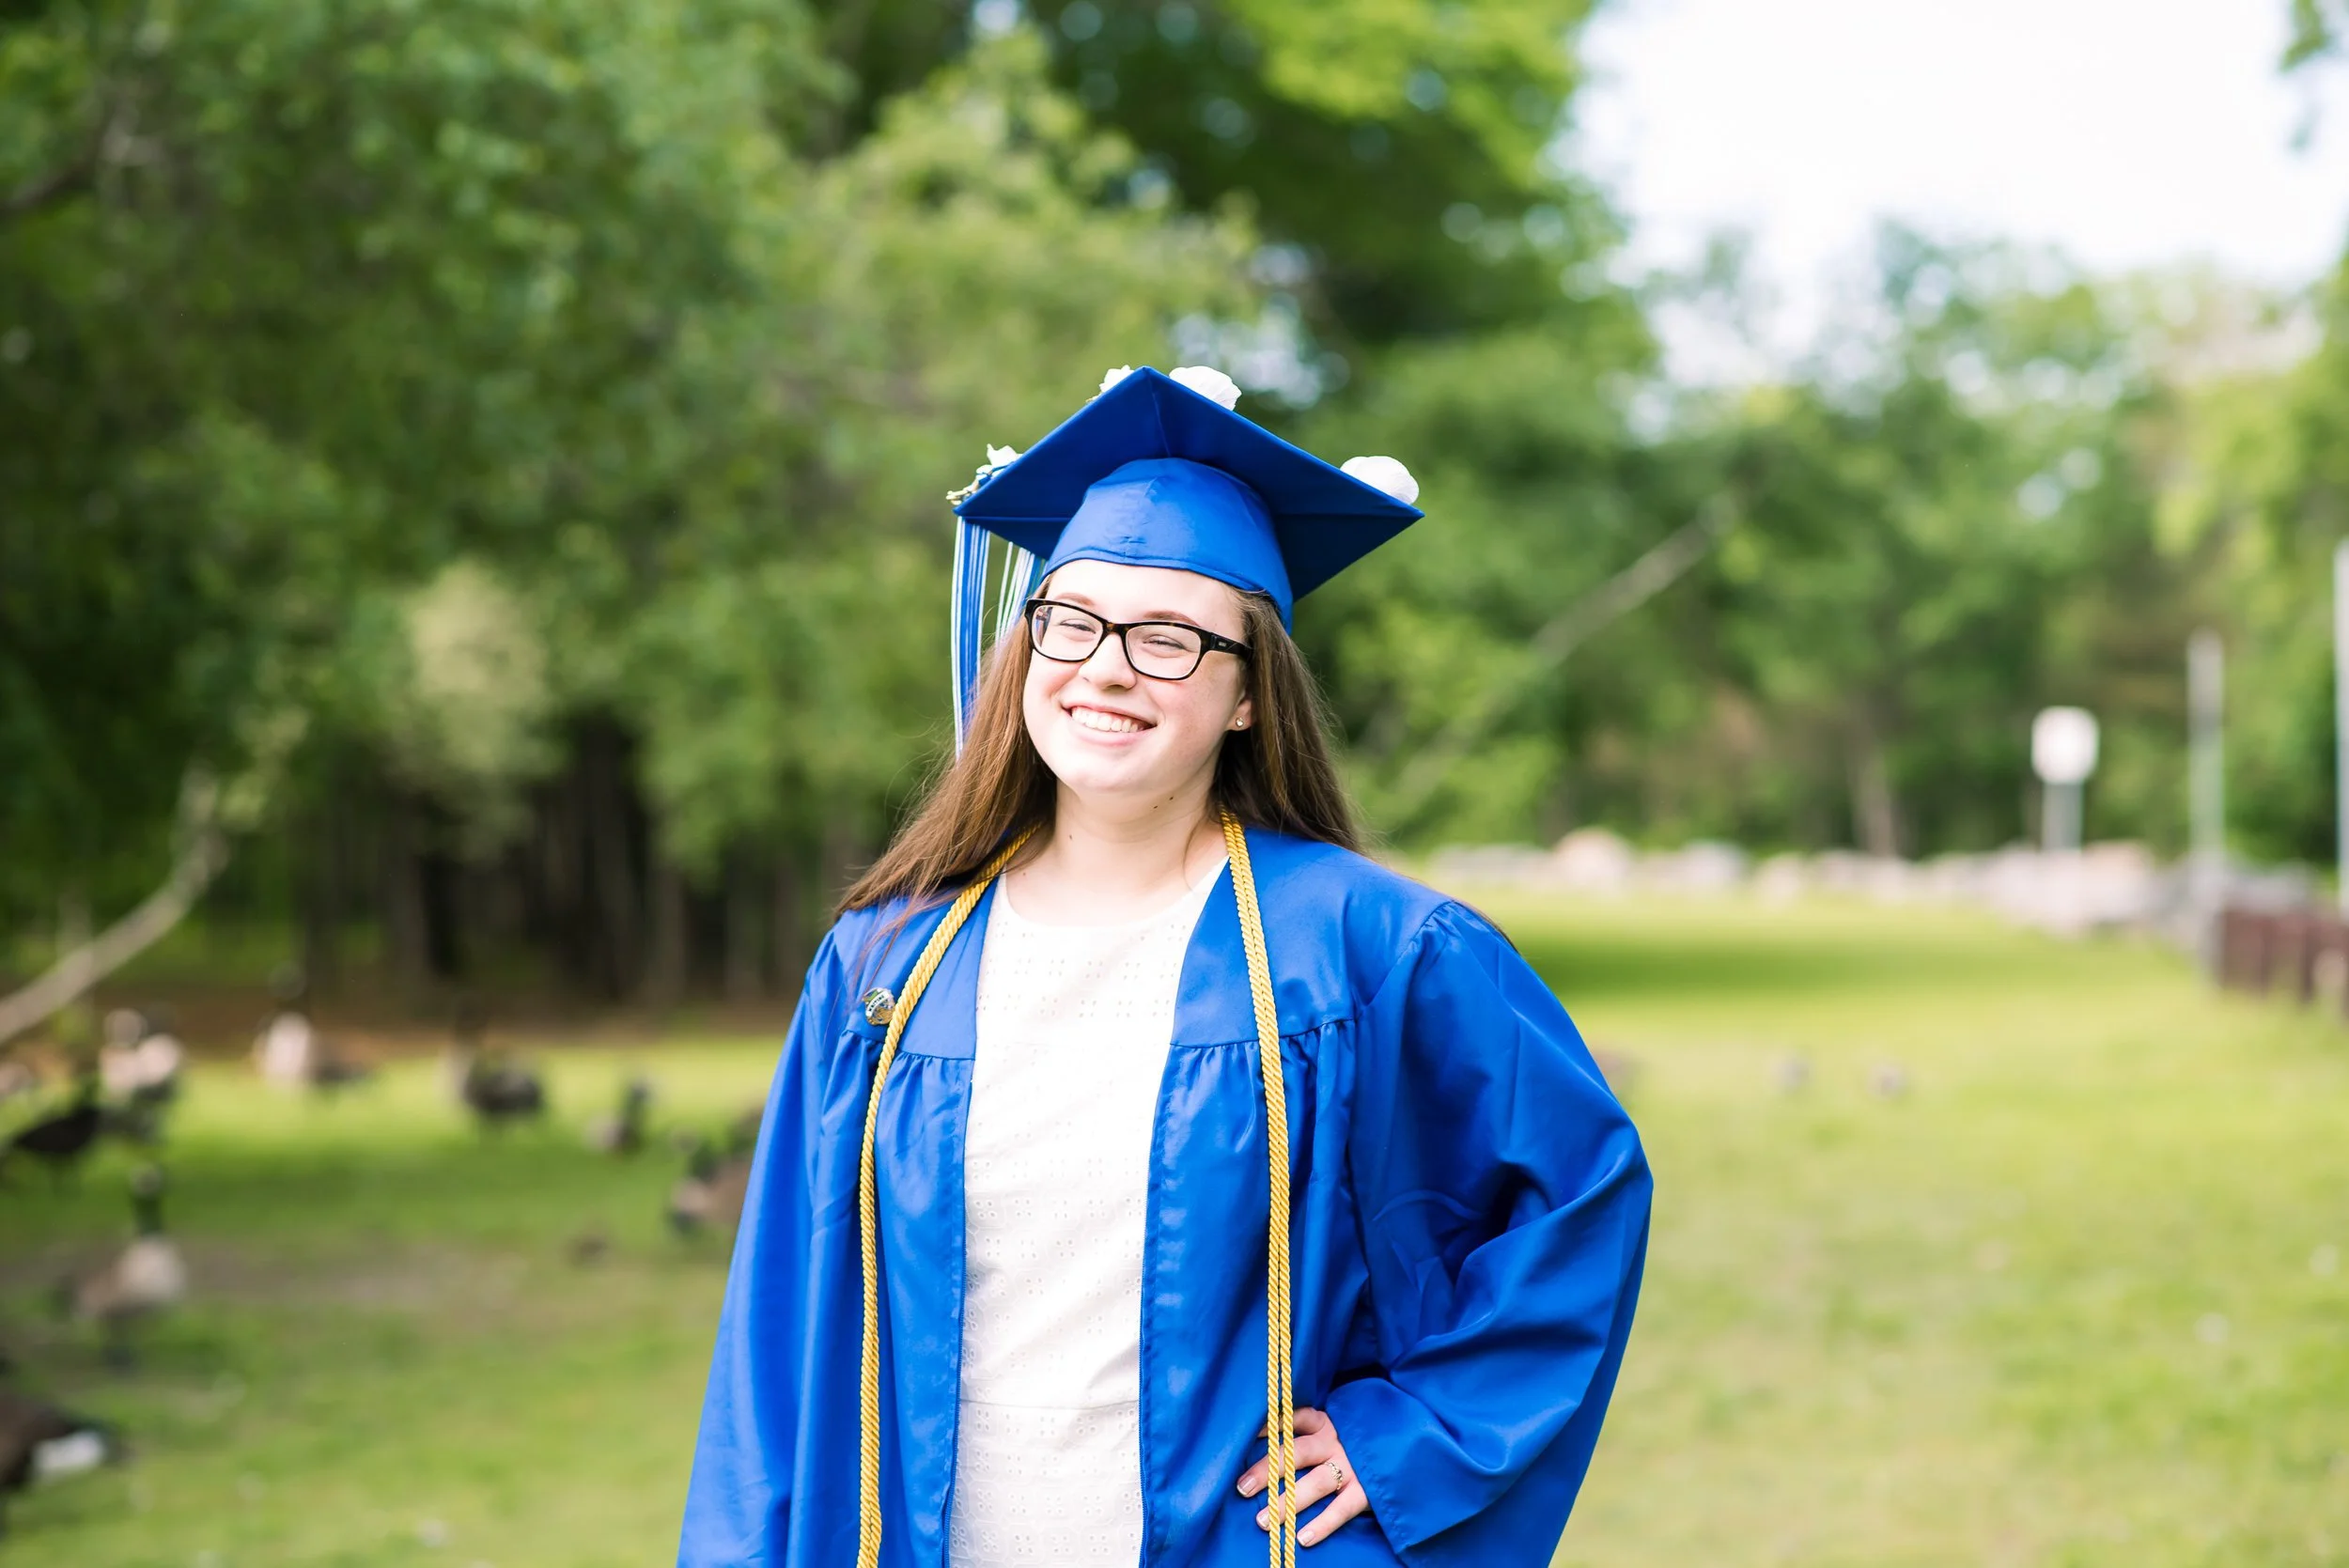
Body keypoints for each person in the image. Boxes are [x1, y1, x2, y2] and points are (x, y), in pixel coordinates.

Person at [679, 366, 1651, 1568]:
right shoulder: (883, 967)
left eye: (1171, 639)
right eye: (1072, 621)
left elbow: (1578, 1190)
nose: (1105, 667)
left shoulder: (1368, 949)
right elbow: (775, 1334)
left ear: (1248, 693)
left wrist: (1412, 1437)